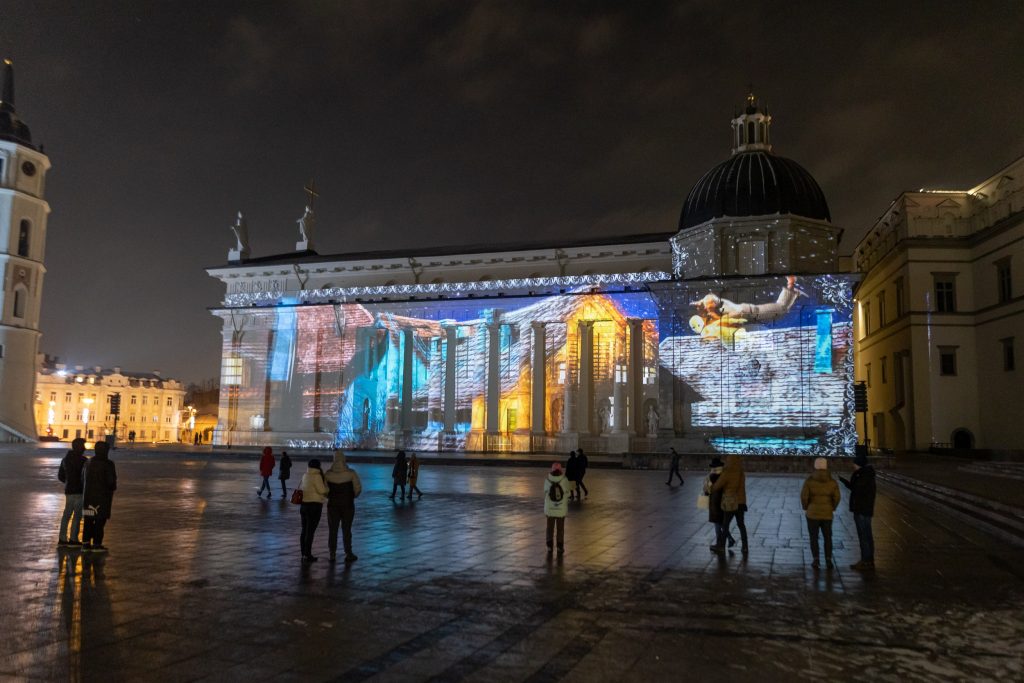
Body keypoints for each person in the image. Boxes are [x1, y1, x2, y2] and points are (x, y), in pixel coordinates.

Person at [801, 457, 841, 570]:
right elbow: (837, 497)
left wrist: (806, 507)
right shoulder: (832, 482)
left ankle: (816, 559)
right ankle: (828, 560)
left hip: (812, 513)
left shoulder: (809, 481)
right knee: (828, 537)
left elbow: (804, 496)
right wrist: (832, 507)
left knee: (813, 537)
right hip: (827, 514)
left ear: (815, 466)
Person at [840, 452, 877, 570]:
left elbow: (857, 489)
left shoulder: (862, 476)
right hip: (865, 509)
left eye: (855, 463)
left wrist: (855, 476)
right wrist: (845, 482)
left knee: (864, 536)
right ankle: (869, 560)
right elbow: (855, 488)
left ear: (859, 464)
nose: (853, 465)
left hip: (861, 509)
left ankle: (866, 561)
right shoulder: (866, 475)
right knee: (867, 535)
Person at [324, 450, 362, 563]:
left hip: (333, 506)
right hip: (348, 505)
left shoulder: (328, 474)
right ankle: (348, 552)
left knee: (333, 530)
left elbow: (325, 491)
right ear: (344, 459)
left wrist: (330, 496)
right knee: (347, 529)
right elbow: (358, 489)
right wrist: (352, 496)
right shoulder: (351, 473)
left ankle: (332, 553)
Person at [81, 441, 117, 552]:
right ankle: (97, 544)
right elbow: (111, 482)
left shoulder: (88, 462)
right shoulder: (108, 464)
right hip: (102, 498)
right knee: (99, 521)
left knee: (88, 521)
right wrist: (112, 487)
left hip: (88, 498)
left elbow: (82, 479)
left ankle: (85, 543)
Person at [712, 455, 748, 555]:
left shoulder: (728, 472)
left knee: (725, 524)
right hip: (741, 502)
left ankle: (721, 546)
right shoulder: (741, 472)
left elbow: (717, 485)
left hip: (730, 502)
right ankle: (745, 547)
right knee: (741, 524)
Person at [57, 438, 88, 547]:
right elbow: (86, 477)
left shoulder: (65, 460)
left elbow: (60, 476)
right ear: (78, 447)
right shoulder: (84, 461)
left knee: (66, 514)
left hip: (69, 490)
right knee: (77, 515)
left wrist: (68, 482)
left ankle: (62, 538)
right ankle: (73, 539)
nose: (84, 448)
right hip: (79, 491)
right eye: (83, 446)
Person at [298, 458, 329, 562]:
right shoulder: (317, 476)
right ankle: (307, 555)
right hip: (314, 506)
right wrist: (327, 488)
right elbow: (322, 490)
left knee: (304, 530)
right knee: (310, 531)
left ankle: (303, 553)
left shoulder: (305, 475)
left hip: (304, 505)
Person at [703, 457, 731, 552]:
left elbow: (706, 490)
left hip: (715, 501)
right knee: (721, 522)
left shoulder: (711, 476)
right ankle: (729, 539)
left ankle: (719, 543)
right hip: (723, 500)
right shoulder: (724, 475)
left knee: (717, 523)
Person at [544, 462, 569, 555]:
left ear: (552, 469)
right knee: (560, 529)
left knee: (549, 528)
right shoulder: (564, 480)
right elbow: (568, 493)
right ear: (560, 470)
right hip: (561, 509)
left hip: (550, 509)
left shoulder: (547, 480)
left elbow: (545, 493)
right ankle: (559, 547)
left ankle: (549, 546)